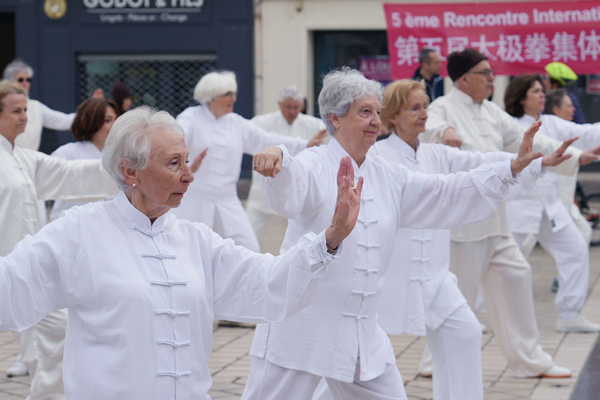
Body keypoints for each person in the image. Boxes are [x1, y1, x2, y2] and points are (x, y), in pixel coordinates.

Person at [0, 105, 359, 400]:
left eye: (187, 161)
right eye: (174, 163)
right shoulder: (79, 232)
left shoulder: (195, 239)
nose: (189, 176)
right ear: (131, 171)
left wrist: (328, 239)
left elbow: (267, 283)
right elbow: (10, 287)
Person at [242, 67, 542, 400]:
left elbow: (444, 191)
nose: (374, 121)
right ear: (335, 118)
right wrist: (278, 161)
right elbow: (290, 187)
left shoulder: (388, 175)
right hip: (302, 327)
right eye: (364, 112)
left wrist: (508, 169)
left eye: (376, 112)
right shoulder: (314, 163)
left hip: (360, 334)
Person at [420, 48, 600, 379]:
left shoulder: (491, 112)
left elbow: (527, 139)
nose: (491, 78)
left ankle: (529, 362)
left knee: (517, 277)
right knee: (458, 297)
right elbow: (431, 125)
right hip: (464, 224)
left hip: (497, 220)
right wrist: (445, 133)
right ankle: (433, 363)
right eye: (485, 73)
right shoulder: (442, 107)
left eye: (491, 73)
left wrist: (570, 156)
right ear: (464, 78)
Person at [0, 81, 119, 399]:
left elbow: (73, 174)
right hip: (7, 274)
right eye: (16, 111)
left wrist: (132, 169)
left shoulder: (23, 158)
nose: (24, 117)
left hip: (27, 274)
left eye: (25, 110)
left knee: (55, 342)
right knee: (50, 346)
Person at [173, 71, 323, 253]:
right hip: (194, 199)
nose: (234, 98)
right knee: (188, 249)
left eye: (234, 93)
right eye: (227, 94)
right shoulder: (191, 117)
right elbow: (173, 142)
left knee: (249, 249)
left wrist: (305, 144)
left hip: (227, 200)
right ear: (211, 97)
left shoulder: (236, 123)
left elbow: (265, 139)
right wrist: (185, 165)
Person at [503, 74, 600, 332]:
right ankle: (470, 309)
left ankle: (569, 314)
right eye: (536, 91)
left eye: (542, 90)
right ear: (521, 97)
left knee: (576, 249)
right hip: (519, 207)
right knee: (500, 262)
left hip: (549, 206)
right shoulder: (510, 126)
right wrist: (577, 157)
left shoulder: (552, 123)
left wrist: (582, 153)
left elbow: (586, 133)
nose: (542, 94)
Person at [246, 85, 328, 241]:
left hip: (296, 190)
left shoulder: (314, 125)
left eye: (296, 107)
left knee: (300, 238)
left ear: (302, 106)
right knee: (247, 237)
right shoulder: (260, 123)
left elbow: (336, 133)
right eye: (288, 107)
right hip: (262, 191)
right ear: (279, 105)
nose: (292, 112)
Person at [50, 98, 119, 219]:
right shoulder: (67, 153)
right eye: (108, 120)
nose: (114, 126)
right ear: (91, 122)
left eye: (116, 120)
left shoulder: (119, 155)